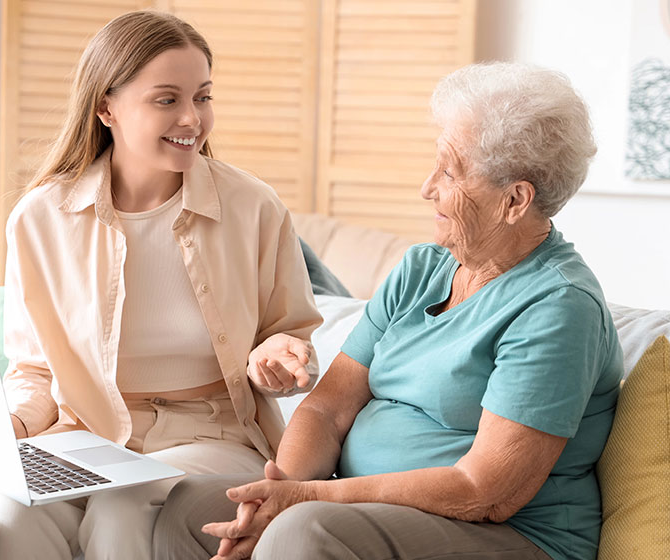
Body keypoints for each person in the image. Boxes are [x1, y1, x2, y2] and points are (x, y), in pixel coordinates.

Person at [157, 62, 624, 560]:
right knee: (184, 508)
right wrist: (282, 489)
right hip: (359, 505)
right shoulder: (421, 268)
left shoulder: (558, 306)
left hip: (511, 536)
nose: (428, 188)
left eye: (450, 171)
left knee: (305, 532)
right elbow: (327, 407)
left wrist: (307, 500)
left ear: (515, 200)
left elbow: (485, 491)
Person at [0, 10, 322, 560]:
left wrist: (281, 356)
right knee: (11, 507)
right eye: (167, 100)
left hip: (213, 436)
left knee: (121, 503)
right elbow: (36, 367)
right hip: (84, 433)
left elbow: (290, 336)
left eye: (202, 97)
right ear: (105, 107)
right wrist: (10, 426)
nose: (193, 118)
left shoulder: (253, 207)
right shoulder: (41, 218)